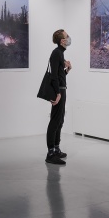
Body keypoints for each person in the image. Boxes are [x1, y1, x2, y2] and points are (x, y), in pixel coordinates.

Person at [45, 29, 72, 165]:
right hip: (59, 92)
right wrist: (57, 93)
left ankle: (56, 149)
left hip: (62, 89)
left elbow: (60, 76)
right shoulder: (56, 53)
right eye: (67, 36)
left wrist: (67, 70)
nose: (69, 38)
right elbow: (53, 76)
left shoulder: (60, 54)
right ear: (62, 41)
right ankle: (50, 154)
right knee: (55, 121)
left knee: (60, 120)